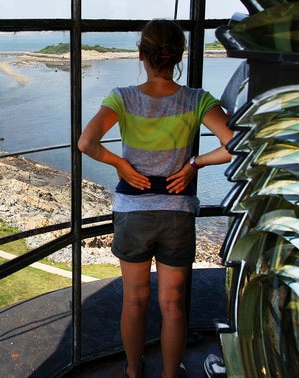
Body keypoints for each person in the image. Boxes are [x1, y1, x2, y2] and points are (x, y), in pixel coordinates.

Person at [78, 19, 233, 378]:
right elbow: (234, 145)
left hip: (133, 212)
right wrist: (195, 163)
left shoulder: (123, 97)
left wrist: (120, 165)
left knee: (134, 301)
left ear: (141, 55)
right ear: (179, 56)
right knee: (173, 305)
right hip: (177, 214)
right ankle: (169, 374)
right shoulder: (197, 99)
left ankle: (133, 371)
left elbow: (86, 143)